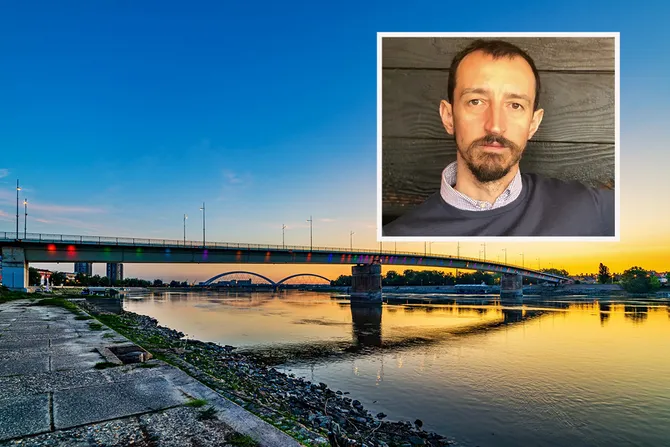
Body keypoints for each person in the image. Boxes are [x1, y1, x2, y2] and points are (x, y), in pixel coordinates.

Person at [382, 39, 614, 237]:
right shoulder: (397, 237)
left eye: (515, 105)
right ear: (449, 117)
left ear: (533, 124)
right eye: (476, 102)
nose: (495, 125)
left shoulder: (590, 209)